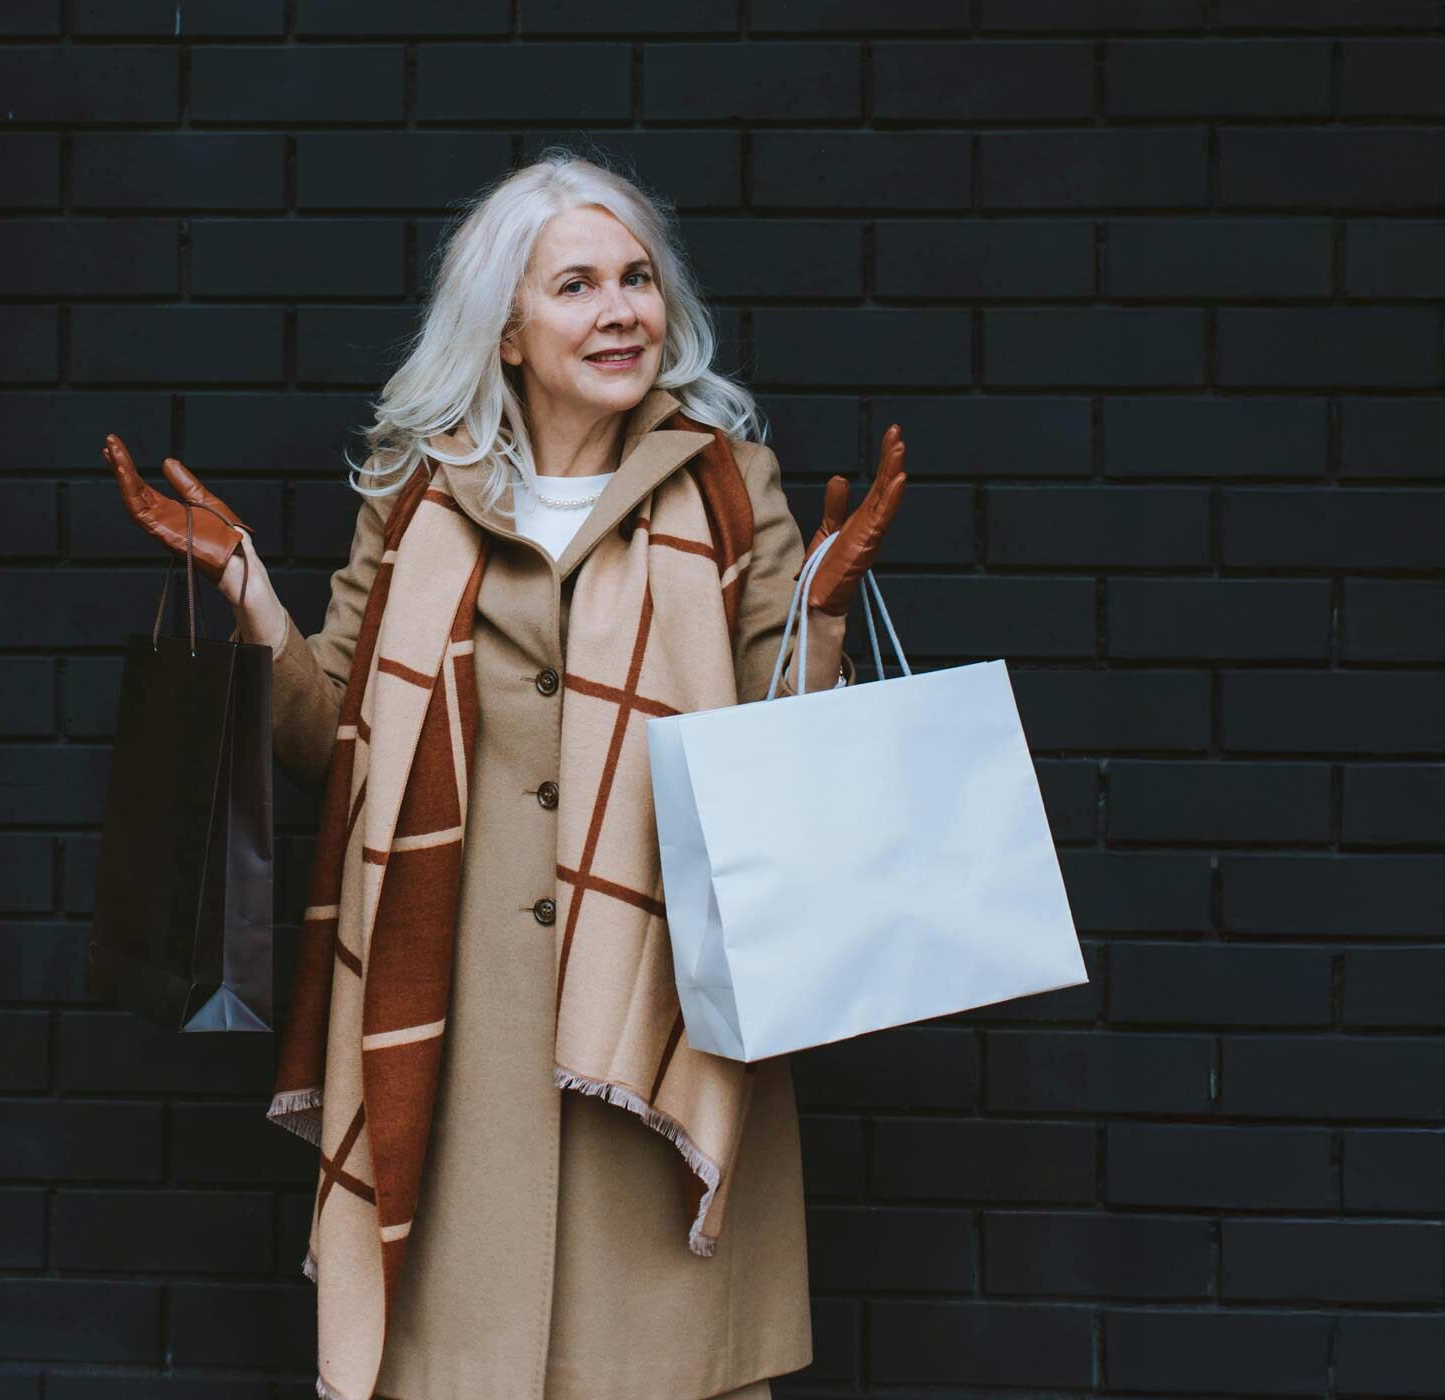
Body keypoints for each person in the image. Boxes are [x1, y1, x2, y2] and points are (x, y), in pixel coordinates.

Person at [105, 148, 906, 1400]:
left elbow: (780, 764)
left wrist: (822, 616)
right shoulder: (417, 490)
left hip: (655, 1011)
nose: (620, 309)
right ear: (509, 332)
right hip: (453, 1018)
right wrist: (245, 587)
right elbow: (334, 744)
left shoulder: (726, 483)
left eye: (637, 278)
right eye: (576, 285)